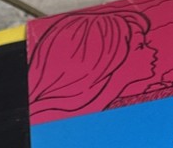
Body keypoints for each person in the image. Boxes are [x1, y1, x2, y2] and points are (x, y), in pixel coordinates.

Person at [28, 9, 157, 120]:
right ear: (109, 58)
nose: (153, 51)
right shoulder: (52, 117)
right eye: (140, 46)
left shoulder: (105, 109)